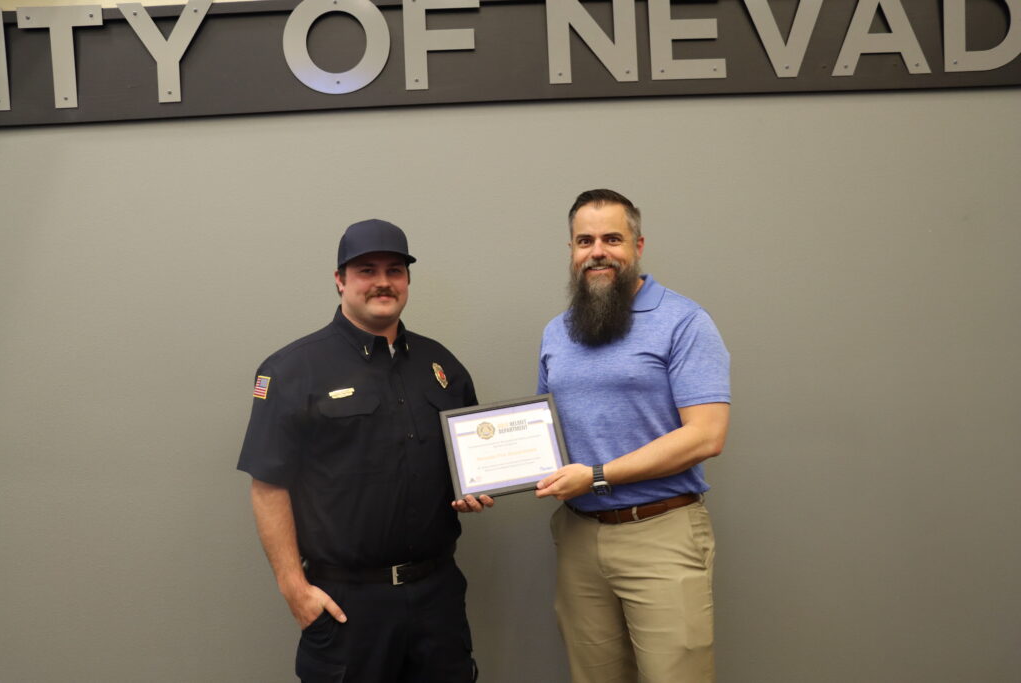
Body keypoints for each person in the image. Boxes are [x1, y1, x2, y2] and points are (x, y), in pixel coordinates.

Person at [237, 219, 492, 683]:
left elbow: (466, 463)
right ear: (340, 279)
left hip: (437, 595)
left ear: (408, 280)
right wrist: (294, 588)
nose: (382, 282)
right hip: (348, 605)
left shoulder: (442, 366)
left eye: (395, 270)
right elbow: (267, 485)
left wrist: (475, 488)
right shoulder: (293, 370)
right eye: (366, 270)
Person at [535, 189, 731, 683]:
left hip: (661, 533)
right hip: (579, 536)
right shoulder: (557, 332)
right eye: (584, 240)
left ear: (638, 245)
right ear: (571, 251)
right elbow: (544, 433)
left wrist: (597, 476)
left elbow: (705, 436)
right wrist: (483, 483)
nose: (597, 251)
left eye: (611, 239)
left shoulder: (685, 322)